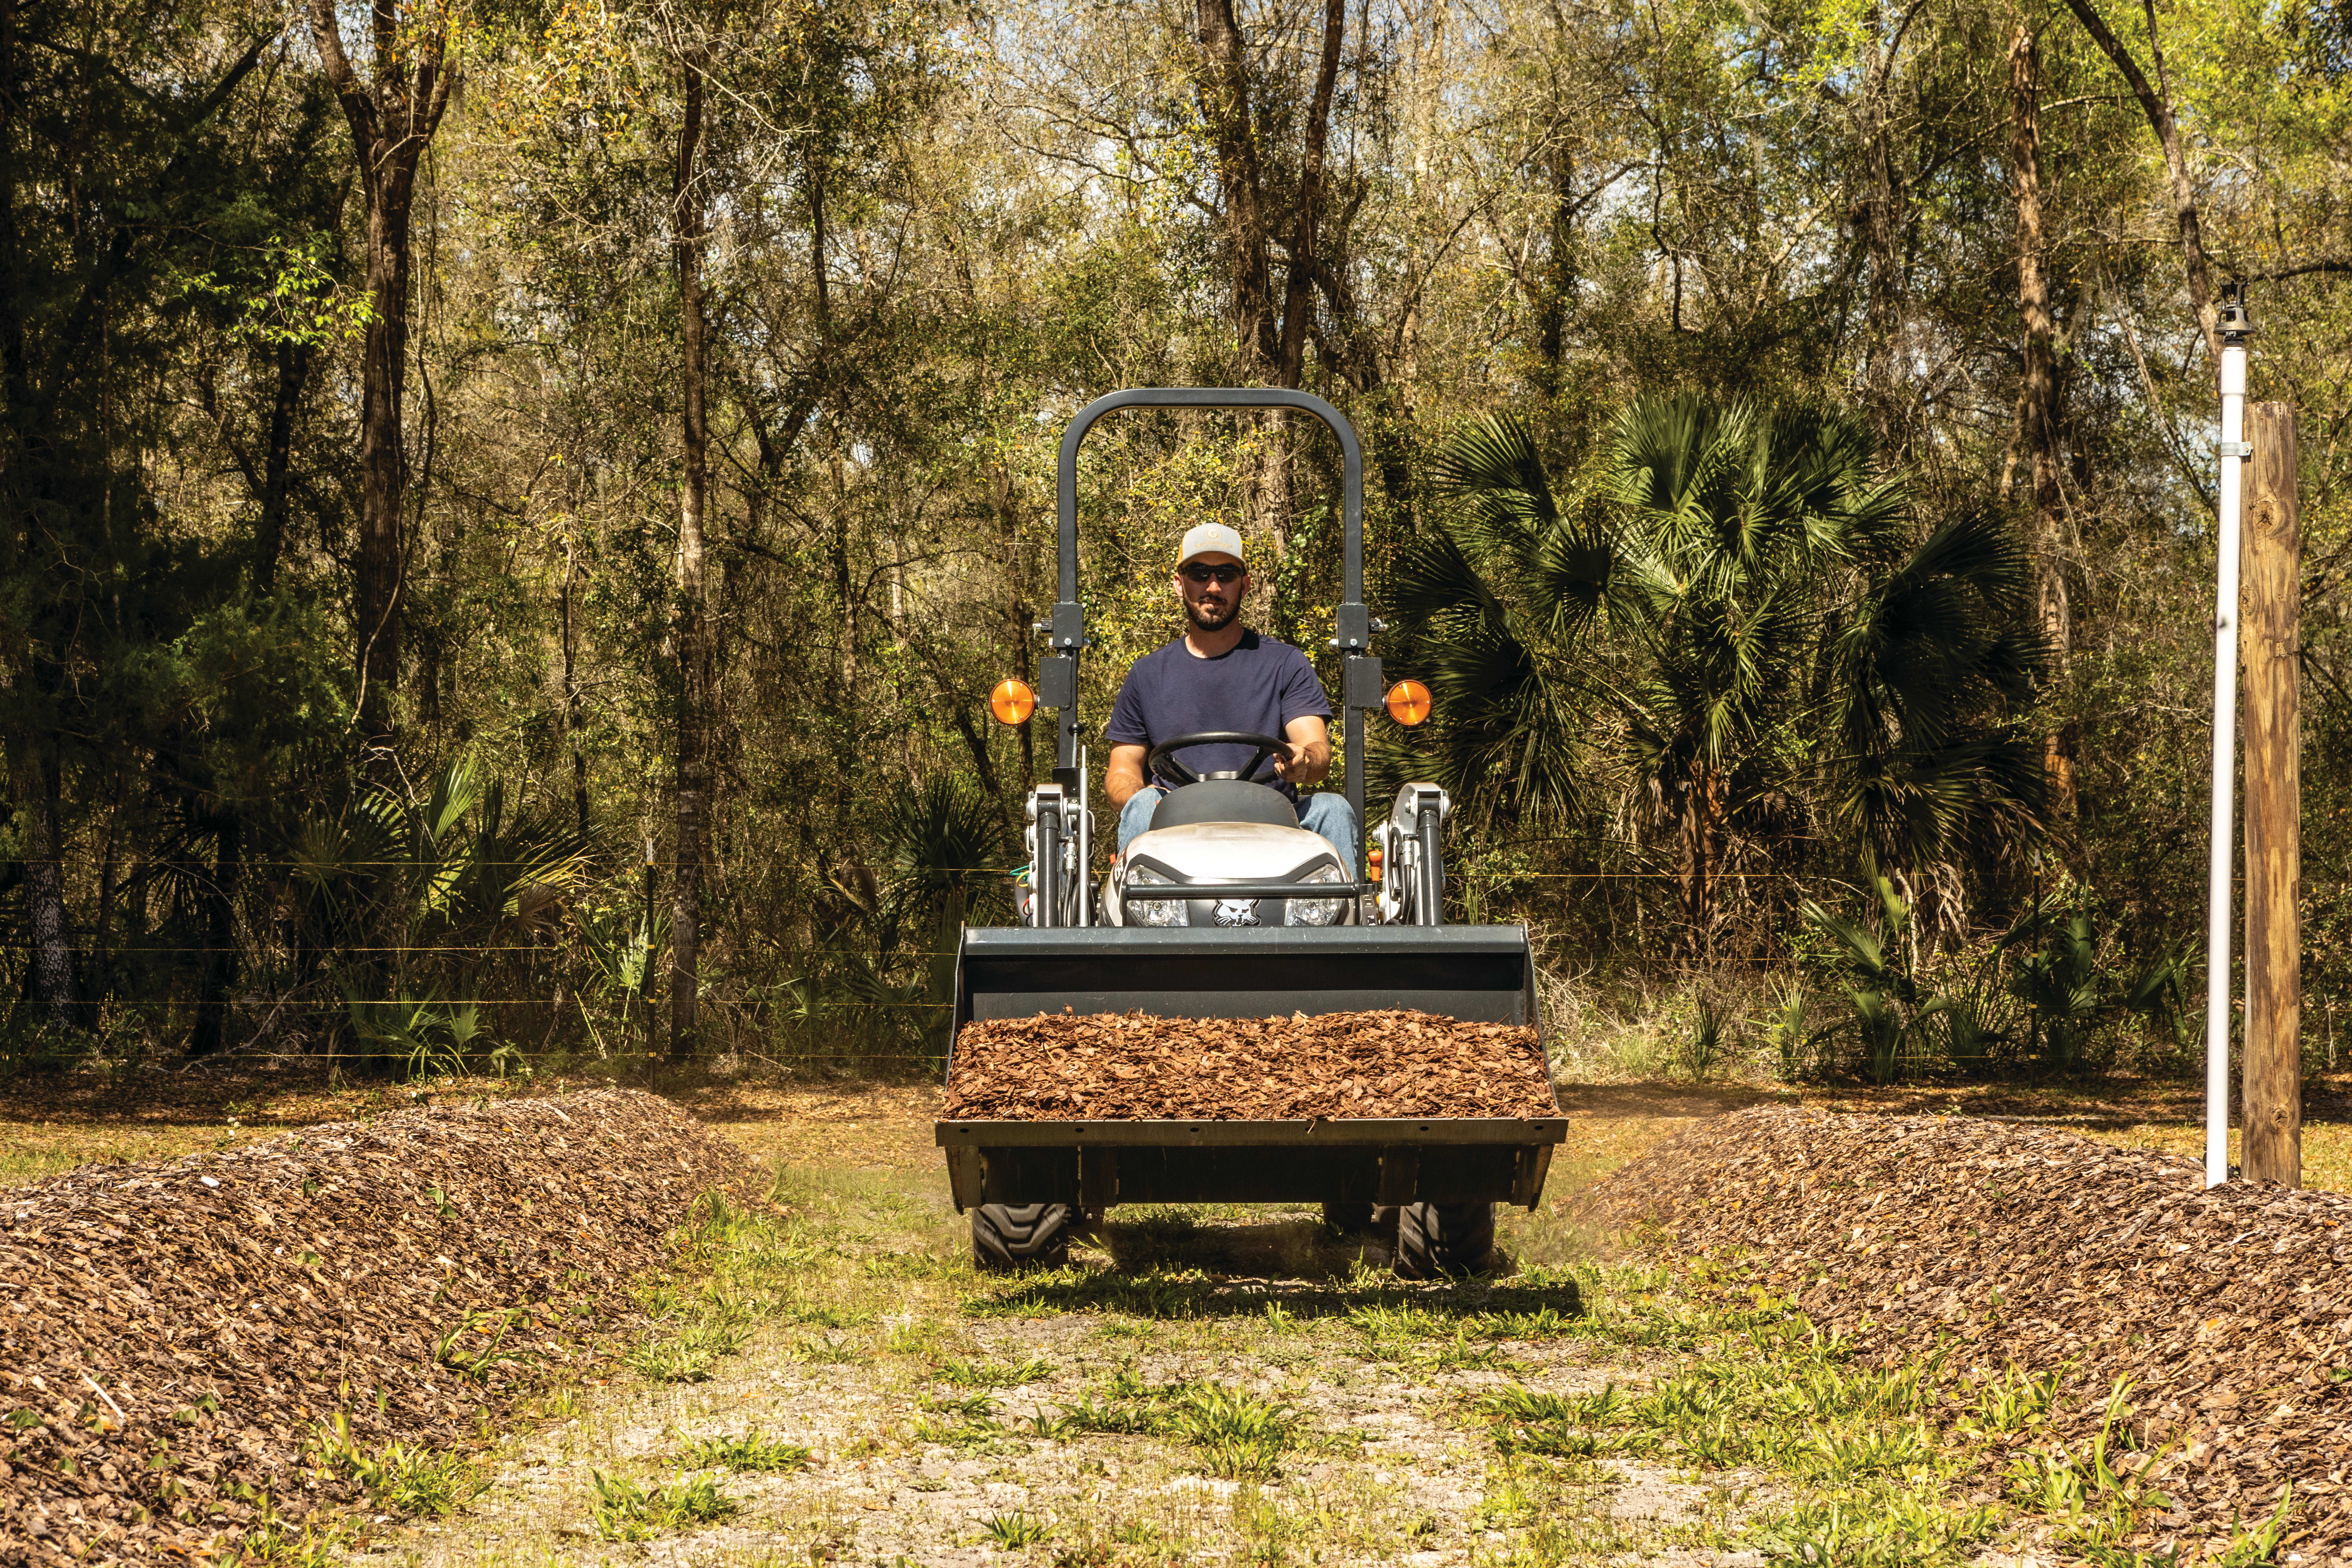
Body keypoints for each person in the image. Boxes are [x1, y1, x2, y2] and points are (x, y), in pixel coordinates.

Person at [1104, 523, 1358, 876]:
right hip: (1176, 819)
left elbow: (1315, 747)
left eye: (1226, 574)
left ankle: (1344, 927)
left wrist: (1304, 760)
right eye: (1199, 573)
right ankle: (1137, 926)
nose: (1213, 586)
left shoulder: (1284, 663)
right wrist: (1139, 795)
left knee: (1333, 809)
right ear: (1180, 584)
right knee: (1142, 804)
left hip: (1273, 816)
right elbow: (1122, 769)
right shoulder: (1147, 675)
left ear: (1245, 584)